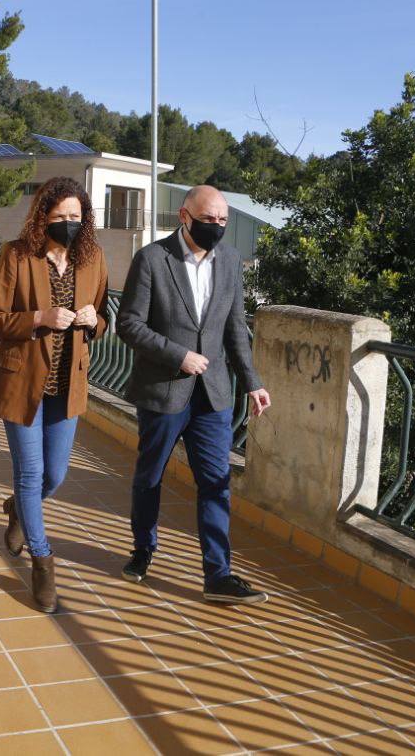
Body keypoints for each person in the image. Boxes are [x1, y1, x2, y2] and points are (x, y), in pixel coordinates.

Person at [115, 184, 273, 604]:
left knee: (216, 483)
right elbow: (129, 324)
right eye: (209, 220)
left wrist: (253, 381)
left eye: (223, 220)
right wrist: (178, 356)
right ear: (185, 217)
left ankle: (218, 574)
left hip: (213, 395)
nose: (217, 227)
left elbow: (235, 328)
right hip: (165, 391)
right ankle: (143, 550)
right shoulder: (152, 259)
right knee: (150, 477)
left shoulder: (231, 262)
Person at [0, 177, 108, 613]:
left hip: (66, 385)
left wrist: (93, 320)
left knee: (53, 476)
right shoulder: (17, 255)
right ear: (43, 217)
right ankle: (42, 561)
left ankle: (19, 508)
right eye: (61, 217)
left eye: (76, 217)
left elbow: (104, 319)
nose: (70, 224)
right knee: (31, 471)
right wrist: (39, 317)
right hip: (22, 381)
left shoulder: (92, 260)